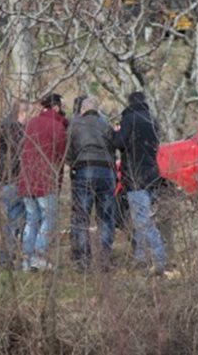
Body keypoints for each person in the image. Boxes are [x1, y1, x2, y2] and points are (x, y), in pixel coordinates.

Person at [113, 91, 168, 275]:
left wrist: (115, 133)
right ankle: (140, 259)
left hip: (136, 177)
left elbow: (119, 143)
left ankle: (159, 260)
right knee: (141, 220)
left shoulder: (129, 119)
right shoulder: (152, 120)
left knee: (143, 221)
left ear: (130, 102)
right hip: (152, 175)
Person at [66, 97, 117, 271]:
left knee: (81, 217)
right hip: (106, 171)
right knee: (106, 217)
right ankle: (104, 259)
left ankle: (83, 261)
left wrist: (73, 165)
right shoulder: (106, 125)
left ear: (82, 110)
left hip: (84, 170)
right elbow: (113, 148)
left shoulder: (74, 124)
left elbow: (68, 150)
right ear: (97, 110)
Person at [18, 93, 68, 271]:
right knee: (50, 218)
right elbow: (61, 158)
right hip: (45, 181)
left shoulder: (30, 123)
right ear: (56, 107)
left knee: (32, 220)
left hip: (26, 180)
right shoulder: (58, 127)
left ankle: (26, 259)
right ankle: (38, 255)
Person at [0, 100, 30, 269]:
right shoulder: (14, 130)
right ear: (21, 114)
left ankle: (8, 257)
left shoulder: (7, 127)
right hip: (13, 179)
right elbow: (19, 152)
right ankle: (5, 259)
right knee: (14, 220)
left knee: (14, 220)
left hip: (7, 179)